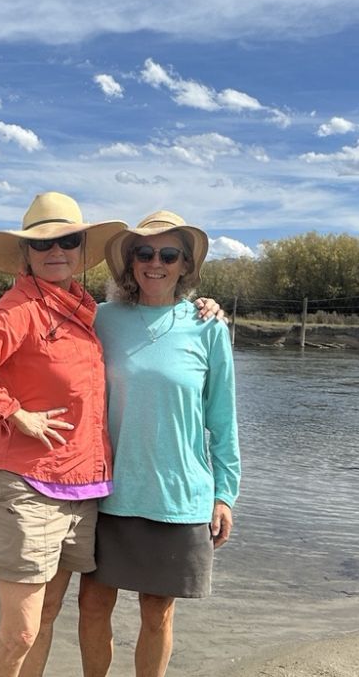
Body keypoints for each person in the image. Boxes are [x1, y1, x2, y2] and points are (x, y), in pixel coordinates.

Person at [0, 194, 222, 677]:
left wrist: (201, 308)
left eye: (68, 240)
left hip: (82, 489)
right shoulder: (24, 308)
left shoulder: (88, 310)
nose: (57, 250)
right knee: (22, 631)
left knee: (47, 616)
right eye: (43, 243)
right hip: (26, 483)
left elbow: (195, 386)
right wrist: (14, 413)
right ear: (26, 253)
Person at [78, 210, 241, 677]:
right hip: (107, 491)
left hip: (179, 493)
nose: (156, 262)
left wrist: (225, 493)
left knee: (157, 612)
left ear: (185, 265)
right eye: (144, 253)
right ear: (129, 263)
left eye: (169, 254)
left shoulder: (208, 327)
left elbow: (222, 419)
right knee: (92, 606)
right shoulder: (100, 319)